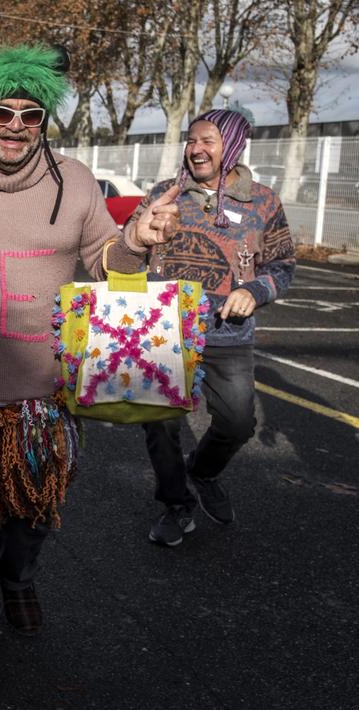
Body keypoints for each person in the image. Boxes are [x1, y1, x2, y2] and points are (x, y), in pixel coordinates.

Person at [0, 32, 179, 657]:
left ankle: (17, 577)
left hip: (43, 385)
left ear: (43, 120)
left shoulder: (75, 181)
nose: (16, 127)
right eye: (3, 112)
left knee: (34, 502)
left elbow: (109, 262)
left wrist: (138, 235)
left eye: (30, 115)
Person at [140, 109, 293, 546]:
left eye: (207, 140)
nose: (196, 149)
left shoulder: (262, 201)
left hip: (229, 334)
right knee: (159, 423)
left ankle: (202, 472)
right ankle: (176, 504)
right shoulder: (163, 195)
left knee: (238, 421)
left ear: (232, 144)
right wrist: (143, 230)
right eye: (191, 140)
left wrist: (258, 290)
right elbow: (129, 253)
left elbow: (283, 265)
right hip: (165, 332)